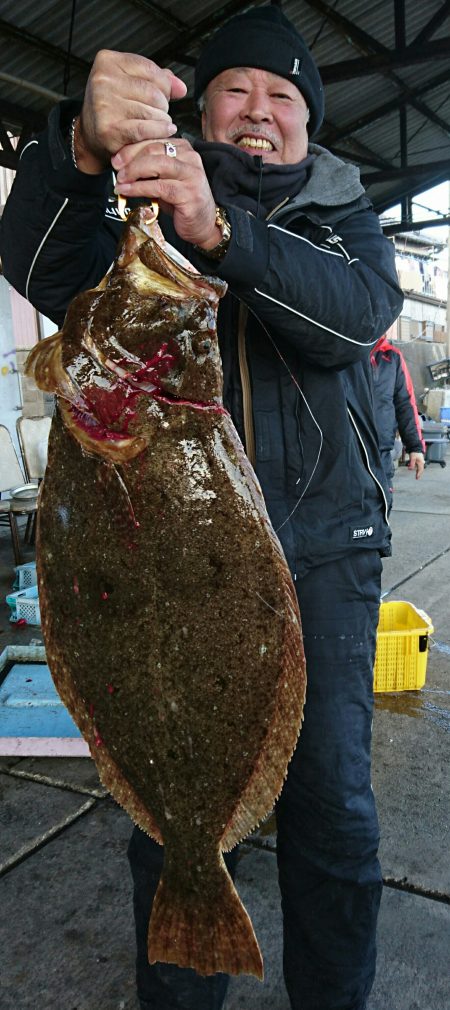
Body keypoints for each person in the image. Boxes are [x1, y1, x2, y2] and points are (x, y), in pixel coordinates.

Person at [0, 6, 404, 1010]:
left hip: (326, 553)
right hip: (161, 569)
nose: (262, 109)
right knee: (168, 810)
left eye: (284, 95)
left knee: (334, 811)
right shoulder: (138, 214)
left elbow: (354, 320)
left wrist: (222, 232)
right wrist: (80, 148)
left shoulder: (343, 217)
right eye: (239, 89)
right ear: (203, 107)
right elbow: (38, 264)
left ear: (309, 120)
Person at [371, 335, 425, 505]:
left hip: (381, 454)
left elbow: (405, 404)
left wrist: (415, 447)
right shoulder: (338, 352)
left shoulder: (392, 357)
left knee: (380, 510)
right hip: (340, 453)